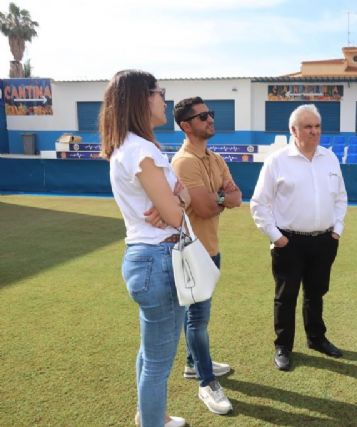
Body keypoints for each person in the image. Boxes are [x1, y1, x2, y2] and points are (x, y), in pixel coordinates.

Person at [100, 70, 190, 427]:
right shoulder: (140, 150)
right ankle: (154, 422)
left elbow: (173, 202)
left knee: (150, 350)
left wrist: (174, 200)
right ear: (140, 99)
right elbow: (172, 213)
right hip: (159, 259)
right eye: (159, 92)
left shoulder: (131, 147)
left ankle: (150, 415)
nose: (164, 99)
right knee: (158, 358)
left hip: (147, 258)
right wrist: (177, 200)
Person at [250, 104, 348, 371]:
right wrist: (276, 236)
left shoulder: (330, 158)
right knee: (286, 296)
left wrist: (336, 229)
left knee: (316, 293)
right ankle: (283, 346)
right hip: (289, 242)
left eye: (317, 126)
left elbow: (340, 197)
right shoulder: (277, 161)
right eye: (308, 127)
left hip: (324, 240)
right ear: (293, 130)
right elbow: (259, 204)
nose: (314, 131)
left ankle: (316, 338)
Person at [169, 97, 241, 415]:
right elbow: (206, 207)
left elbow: (237, 196)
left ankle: (192, 363)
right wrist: (221, 198)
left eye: (210, 114)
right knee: (197, 320)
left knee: (198, 317)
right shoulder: (184, 162)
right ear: (186, 126)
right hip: (191, 254)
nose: (210, 119)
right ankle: (206, 382)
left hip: (210, 249)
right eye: (202, 116)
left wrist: (220, 197)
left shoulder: (214, 158)